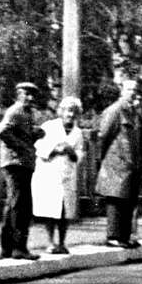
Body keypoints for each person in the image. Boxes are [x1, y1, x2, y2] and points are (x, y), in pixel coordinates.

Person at [94, 77, 142, 248]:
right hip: (116, 163)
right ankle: (113, 236)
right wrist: (101, 159)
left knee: (129, 201)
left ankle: (124, 236)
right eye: (130, 89)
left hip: (132, 165)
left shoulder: (134, 113)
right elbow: (103, 136)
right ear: (122, 91)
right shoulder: (115, 110)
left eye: (135, 90)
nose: (133, 93)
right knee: (116, 199)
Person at [31, 95, 84, 254]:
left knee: (64, 211)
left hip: (67, 173)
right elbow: (38, 146)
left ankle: (62, 242)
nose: (70, 115)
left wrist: (71, 151)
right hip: (50, 171)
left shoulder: (78, 132)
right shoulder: (49, 127)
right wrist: (55, 149)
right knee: (50, 210)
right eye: (68, 111)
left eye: (74, 112)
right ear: (61, 112)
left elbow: (79, 154)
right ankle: (50, 242)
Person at [0, 80, 42, 258]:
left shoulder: (27, 113)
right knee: (18, 204)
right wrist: (21, 146)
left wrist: (35, 135)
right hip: (15, 163)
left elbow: (22, 135)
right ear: (18, 95)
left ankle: (9, 248)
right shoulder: (16, 111)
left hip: (23, 163)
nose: (30, 98)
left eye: (32, 95)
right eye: (26, 94)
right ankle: (17, 248)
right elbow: (2, 131)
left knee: (17, 204)